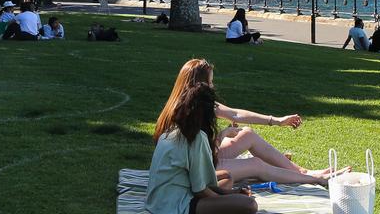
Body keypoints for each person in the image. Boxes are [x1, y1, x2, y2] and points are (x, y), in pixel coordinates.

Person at [157, 59, 344, 185]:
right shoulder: (188, 111)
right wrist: (222, 136)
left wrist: (277, 121)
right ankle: (315, 180)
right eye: (210, 82)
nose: (213, 87)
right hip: (193, 171)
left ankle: (303, 172)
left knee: (247, 134)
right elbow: (195, 153)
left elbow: (236, 114)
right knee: (256, 165)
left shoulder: (191, 101)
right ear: (198, 84)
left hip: (202, 158)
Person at [147, 81, 257, 214]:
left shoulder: (170, 132)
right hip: (173, 206)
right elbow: (200, 190)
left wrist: (230, 194)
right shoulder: (196, 137)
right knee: (249, 205)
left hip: (157, 203)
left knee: (226, 176)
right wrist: (226, 201)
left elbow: (200, 183)